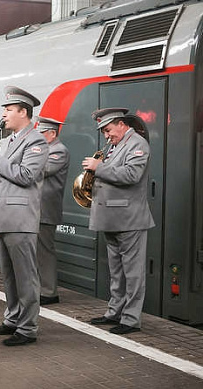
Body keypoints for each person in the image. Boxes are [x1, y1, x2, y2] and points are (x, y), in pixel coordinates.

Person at [0, 86, 49, 347]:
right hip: (4, 217)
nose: (4, 115)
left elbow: (26, 176)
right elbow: (4, 175)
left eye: (8, 110)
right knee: (8, 275)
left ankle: (28, 328)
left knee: (25, 276)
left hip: (20, 219)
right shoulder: (12, 141)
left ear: (23, 112)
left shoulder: (36, 141)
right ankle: (13, 318)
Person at [85, 108, 155, 335]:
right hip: (112, 218)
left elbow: (131, 176)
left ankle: (131, 319)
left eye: (108, 130)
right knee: (116, 271)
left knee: (133, 273)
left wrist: (99, 168)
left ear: (121, 124)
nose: (106, 135)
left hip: (130, 219)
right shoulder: (116, 146)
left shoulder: (137, 144)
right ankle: (115, 311)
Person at [36, 117, 69, 305]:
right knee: (36, 252)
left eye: (41, 133)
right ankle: (41, 288)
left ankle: (49, 292)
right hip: (37, 208)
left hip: (46, 209)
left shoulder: (59, 151)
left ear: (52, 133)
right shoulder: (45, 150)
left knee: (44, 252)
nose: (38, 137)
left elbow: (43, 169)